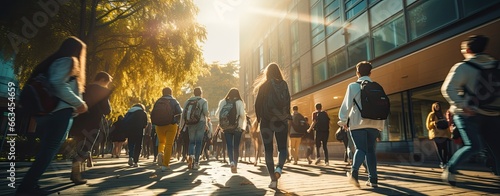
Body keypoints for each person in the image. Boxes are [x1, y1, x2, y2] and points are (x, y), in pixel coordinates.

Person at [16, 36, 88, 195]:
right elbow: (58, 83)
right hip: (60, 113)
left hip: (49, 113)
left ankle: (29, 184)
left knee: (46, 150)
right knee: (48, 151)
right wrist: (79, 103)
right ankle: (27, 186)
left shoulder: (53, 61)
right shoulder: (68, 61)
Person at [441, 35, 500, 185]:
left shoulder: (463, 66)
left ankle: (451, 169)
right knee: (496, 147)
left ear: (467, 49)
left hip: (468, 114)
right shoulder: (496, 65)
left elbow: (447, 89)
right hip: (492, 113)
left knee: (473, 146)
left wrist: (462, 105)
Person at [338, 61, 385, 188]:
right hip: (374, 124)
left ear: (357, 72)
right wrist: (380, 125)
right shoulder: (377, 86)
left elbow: (346, 105)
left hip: (357, 123)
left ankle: (354, 173)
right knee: (371, 151)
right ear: (370, 72)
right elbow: (381, 106)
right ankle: (373, 179)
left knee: (360, 149)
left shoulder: (353, 86)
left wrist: (343, 121)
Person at [254, 63, 292, 189]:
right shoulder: (284, 84)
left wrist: (259, 119)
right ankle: (279, 169)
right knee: (282, 148)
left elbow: (257, 104)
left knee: (268, 150)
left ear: (267, 73)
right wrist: (286, 117)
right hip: (281, 121)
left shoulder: (263, 86)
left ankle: (273, 180)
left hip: (266, 121)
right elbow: (288, 101)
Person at [215, 88, 247, 173]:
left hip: (226, 128)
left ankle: (231, 162)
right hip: (237, 128)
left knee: (229, 146)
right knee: (236, 146)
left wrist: (224, 121)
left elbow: (217, 115)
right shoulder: (239, 102)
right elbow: (242, 115)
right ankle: (235, 164)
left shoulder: (223, 102)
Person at [181, 87, 210, 170]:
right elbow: (205, 113)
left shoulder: (188, 101)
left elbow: (183, 114)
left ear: (194, 93)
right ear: (201, 93)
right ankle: (196, 162)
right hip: (200, 122)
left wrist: (181, 125)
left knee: (192, 141)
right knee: (198, 142)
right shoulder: (203, 101)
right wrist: (207, 123)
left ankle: (190, 155)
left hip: (190, 123)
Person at [155, 87, 182, 172]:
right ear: (171, 93)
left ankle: (160, 153)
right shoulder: (174, 101)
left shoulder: (158, 101)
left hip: (159, 125)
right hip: (171, 124)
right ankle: (165, 165)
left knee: (161, 142)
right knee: (169, 144)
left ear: (162, 93)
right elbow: (179, 112)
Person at [426, 102, 452, 169]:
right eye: (436, 106)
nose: (438, 107)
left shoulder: (442, 114)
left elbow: (446, 124)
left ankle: (445, 162)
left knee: (445, 149)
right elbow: (428, 125)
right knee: (439, 149)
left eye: (438, 106)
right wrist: (435, 122)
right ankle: (442, 162)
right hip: (436, 134)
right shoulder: (431, 114)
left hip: (444, 134)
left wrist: (449, 134)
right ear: (434, 107)